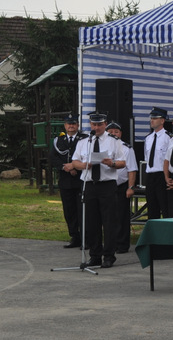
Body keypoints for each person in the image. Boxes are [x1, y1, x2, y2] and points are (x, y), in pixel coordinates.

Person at [71, 111, 127, 268]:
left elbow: (122, 162)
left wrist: (112, 163)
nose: (96, 128)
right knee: (91, 222)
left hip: (106, 185)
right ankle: (95, 255)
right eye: (94, 124)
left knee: (109, 222)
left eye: (100, 125)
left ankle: (109, 255)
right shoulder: (84, 141)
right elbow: (75, 161)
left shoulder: (114, 141)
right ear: (90, 125)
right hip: (89, 184)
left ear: (105, 124)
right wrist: (83, 165)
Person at [49, 113, 87, 248]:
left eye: (73, 124)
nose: (71, 126)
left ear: (78, 125)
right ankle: (74, 236)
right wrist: (65, 167)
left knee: (82, 210)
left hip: (80, 180)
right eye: (69, 124)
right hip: (65, 181)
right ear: (65, 126)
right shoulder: (59, 140)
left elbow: (87, 156)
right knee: (69, 211)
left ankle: (85, 238)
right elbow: (53, 157)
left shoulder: (84, 139)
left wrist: (74, 166)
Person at [106, 121, 138, 254]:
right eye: (110, 132)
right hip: (106, 186)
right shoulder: (102, 147)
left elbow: (132, 169)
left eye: (116, 132)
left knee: (121, 217)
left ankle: (122, 244)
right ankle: (110, 243)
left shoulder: (126, 148)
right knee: (108, 217)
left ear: (121, 134)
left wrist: (130, 187)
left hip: (121, 186)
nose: (113, 134)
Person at [144, 107, 171, 220]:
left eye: (155, 118)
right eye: (151, 118)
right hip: (150, 175)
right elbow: (147, 157)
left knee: (165, 207)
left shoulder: (168, 138)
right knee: (151, 207)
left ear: (162, 120)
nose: (152, 120)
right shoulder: (148, 138)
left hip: (162, 175)